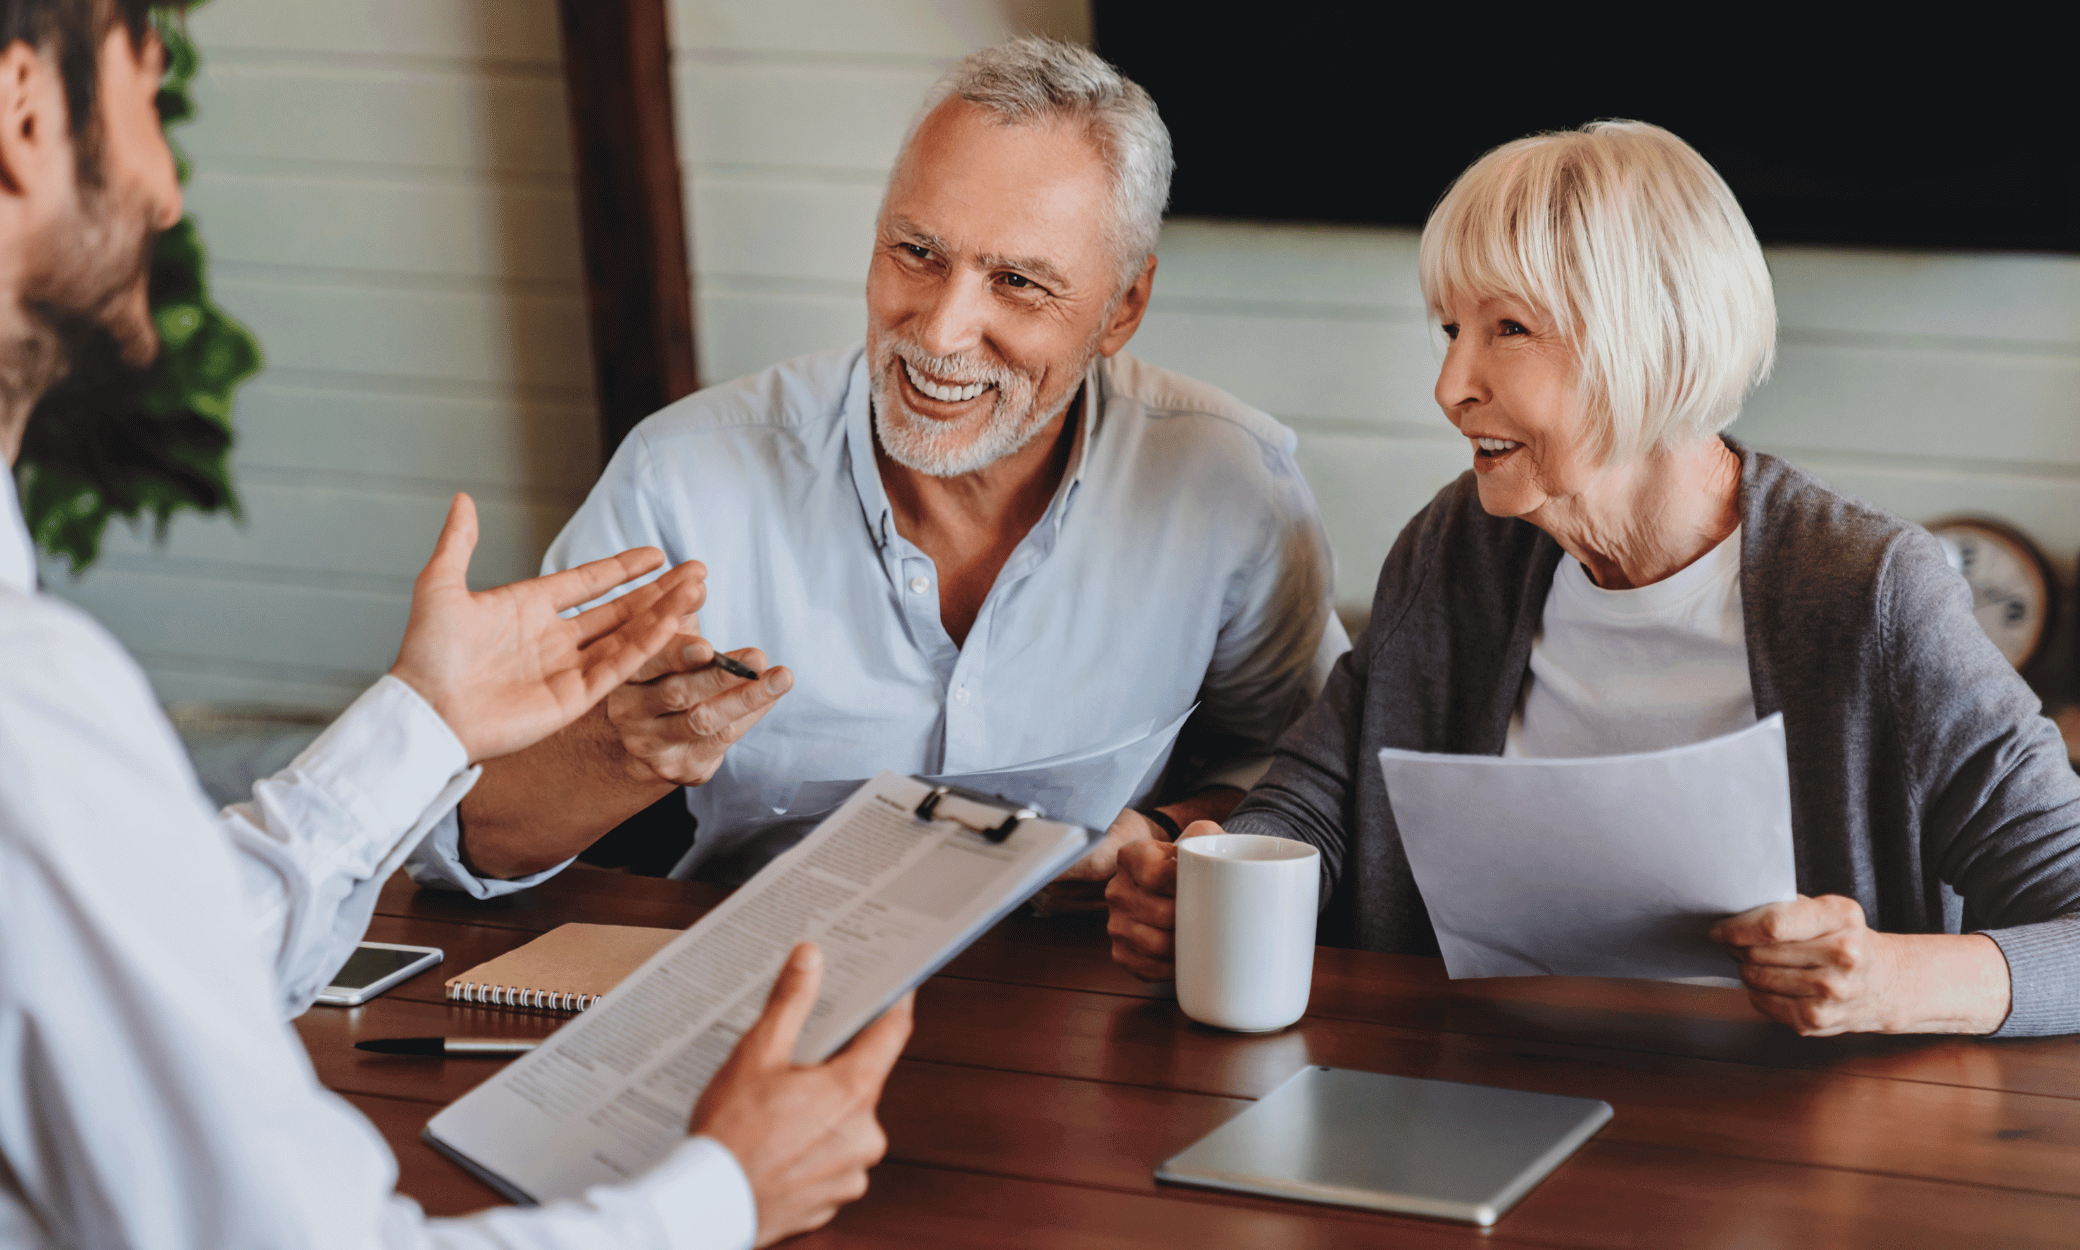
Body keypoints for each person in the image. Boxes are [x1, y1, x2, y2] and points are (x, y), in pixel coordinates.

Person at [0, 3, 908, 1246]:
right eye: (147, 97)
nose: (163, 192)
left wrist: (422, 720)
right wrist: (726, 1193)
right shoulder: (30, 706)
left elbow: (148, 968)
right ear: (26, 113)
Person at [1107, 120, 2080, 1038]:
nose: (1450, 385)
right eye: (1449, 328)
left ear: (1642, 338)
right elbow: (1316, 798)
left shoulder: (1869, 595)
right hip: (1466, 1095)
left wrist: (1890, 979)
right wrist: (1212, 882)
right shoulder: (1457, 548)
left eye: (1508, 330)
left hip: (1796, 1133)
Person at [417, 37, 1345, 899]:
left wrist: (1157, 835)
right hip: (764, 994)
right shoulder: (683, 479)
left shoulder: (1233, 487)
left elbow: (1304, 779)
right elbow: (465, 842)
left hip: (1086, 1000)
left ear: (1121, 309)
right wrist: (617, 755)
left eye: (1017, 282)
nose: (939, 334)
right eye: (918, 253)